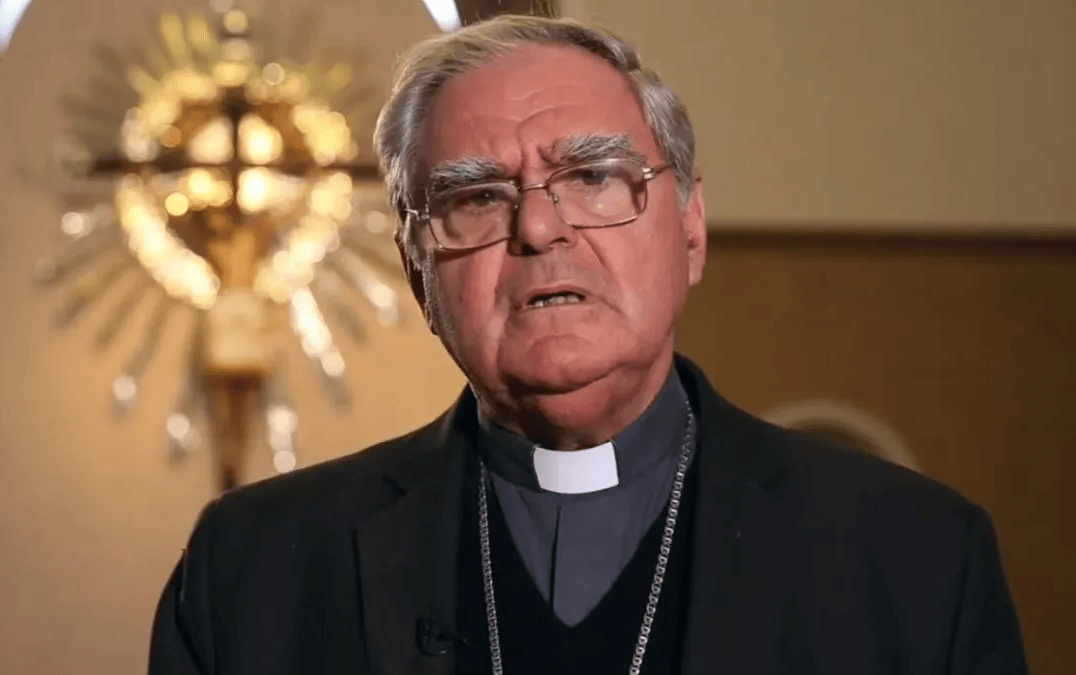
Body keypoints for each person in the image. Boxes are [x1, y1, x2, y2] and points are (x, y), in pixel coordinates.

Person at [148, 15, 1028, 674]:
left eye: (594, 176)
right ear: (418, 273)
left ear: (690, 228)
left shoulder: (911, 559)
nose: (538, 228)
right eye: (476, 197)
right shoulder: (252, 572)